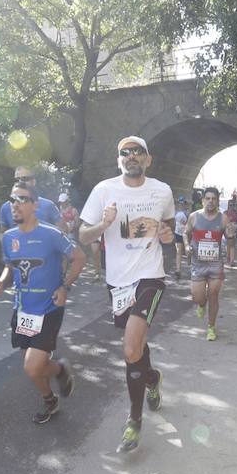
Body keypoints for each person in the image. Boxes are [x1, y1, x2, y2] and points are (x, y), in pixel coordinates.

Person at [78, 135, 175, 453]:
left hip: (150, 276)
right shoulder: (103, 190)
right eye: (125, 152)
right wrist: (103, 224)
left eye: (138, 152)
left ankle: (134, 422)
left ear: (149, 159)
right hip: (118, 282)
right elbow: (82, 235)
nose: (131, 156)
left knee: (130, 346)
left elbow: (170, 229)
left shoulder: (162, 191)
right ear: (118, 159)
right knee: (136, 350)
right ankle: (152, 378)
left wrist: (167, 234)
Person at [0, 183, 86, 423]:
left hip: (49, 308)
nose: (15, 204)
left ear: (35, 205)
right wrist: (2, 282)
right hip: (23, 310)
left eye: (22, 199)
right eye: (12, 199)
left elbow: (78, 257)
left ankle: (55, 383)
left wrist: (64, 287)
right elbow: (10, 266)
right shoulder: (9, 237)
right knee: (33, 364)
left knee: (32, 367)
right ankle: (54, 386)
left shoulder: (50, 233)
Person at [184, 187, 228, 341]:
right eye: (207, 198)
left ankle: (211, 327)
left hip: (215, 263)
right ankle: (201, 305)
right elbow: (185, 233)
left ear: (217, 201)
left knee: (214, 294)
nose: (210, 201)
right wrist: (187, 246)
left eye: (213, 199)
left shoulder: (223, 218)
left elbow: (229, 236)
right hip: (198, 262)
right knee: (198, 297)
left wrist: (231, 234)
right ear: (202, 200)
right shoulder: (194, 217)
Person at [0, 165, 60, 238]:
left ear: (33, 182)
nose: (20, 182)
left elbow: (63, 231)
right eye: (17, 180)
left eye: (24, 178)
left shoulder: (48, 205)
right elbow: (3, 233)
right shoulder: (6, 208)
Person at [172, 196, 189, 279]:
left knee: (187, 252)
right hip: (178, 234)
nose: (180, 204)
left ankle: (192, 267)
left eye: (182, 203)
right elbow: (174, 223)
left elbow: (189, 223)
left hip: (186, 235)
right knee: (178, 251)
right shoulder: (175, 212)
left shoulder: (187, 213)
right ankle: (178, 269)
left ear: (185, 204)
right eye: (179, 203)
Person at [224, 196, 237, 266]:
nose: (231, 206)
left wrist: (235, 231)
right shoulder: (225, 212)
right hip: (227, 230)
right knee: (229, 245)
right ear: (228, 205)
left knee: (232, 245)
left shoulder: (235, 212)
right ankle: (228, 258)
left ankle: (231, 260)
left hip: (233, 230)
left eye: (233, 205)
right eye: (230, 205)